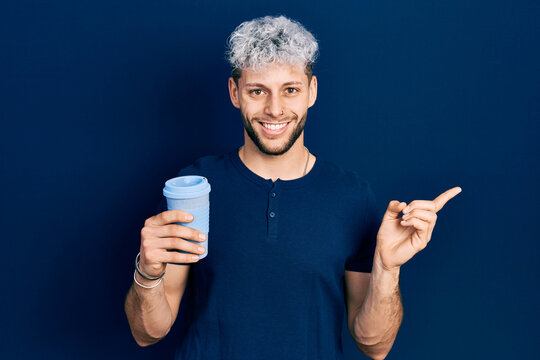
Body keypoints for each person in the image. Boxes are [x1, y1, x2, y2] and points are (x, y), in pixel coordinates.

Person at [124, 15, 461, 360]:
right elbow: (147, 332)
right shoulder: (196, 187)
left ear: (311, 91)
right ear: (234, 93)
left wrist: (387, 269)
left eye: (290, 90)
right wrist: (147, 271)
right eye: (258, 91)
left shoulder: (352, 197)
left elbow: (375, 345)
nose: (274, 109)